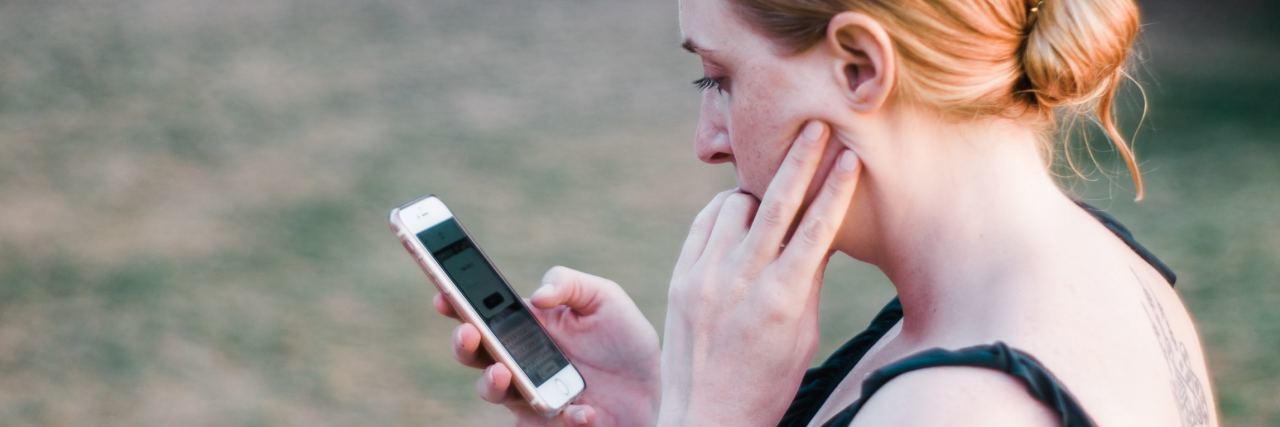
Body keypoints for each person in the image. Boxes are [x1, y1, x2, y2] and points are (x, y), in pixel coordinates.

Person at [434, 0, 1220, 425]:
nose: (707, 142)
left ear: (861, 67)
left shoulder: (950, 410)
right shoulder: (1111, 272)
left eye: (717, 79)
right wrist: (659, 397)